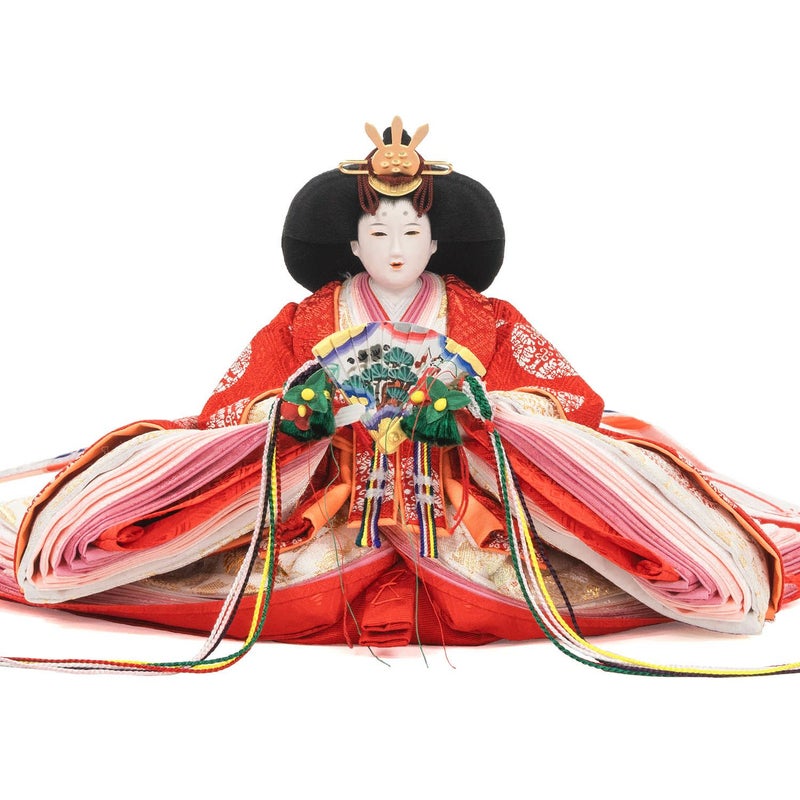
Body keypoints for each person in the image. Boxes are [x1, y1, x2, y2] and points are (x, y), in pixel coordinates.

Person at [2, 117, 800, 674]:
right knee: (170, 556)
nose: (395, 248)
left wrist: (477, 415)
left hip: (460, 499)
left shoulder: (484, 318)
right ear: (351, 244)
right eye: (378, 233)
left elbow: (564, 400)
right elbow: (231, 408)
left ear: (436, 241)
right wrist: (298, 416)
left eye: (411, 233)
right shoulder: (307, 319)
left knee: (630, 546)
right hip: (326, 499)